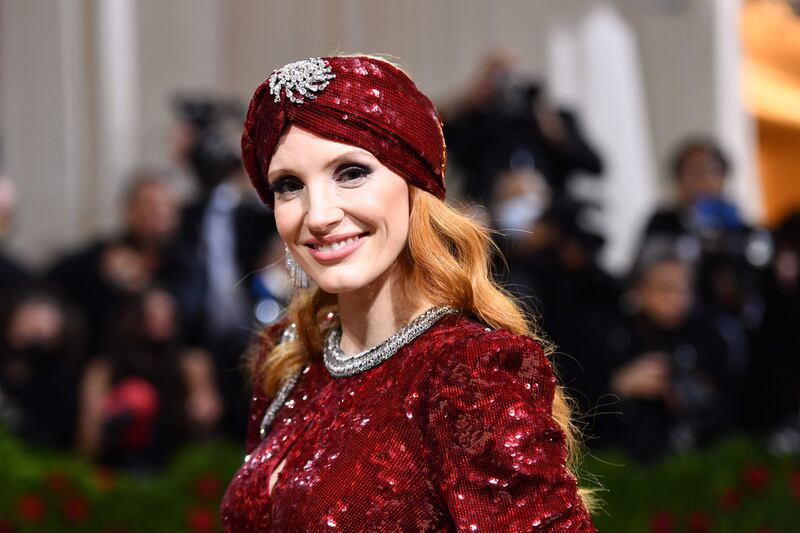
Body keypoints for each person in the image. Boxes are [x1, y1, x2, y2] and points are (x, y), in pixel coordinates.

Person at [220, 55, 596, 531]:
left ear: (415, 185)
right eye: (289, 185)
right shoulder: (290, 355)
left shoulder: (469, 372)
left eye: (351, 172)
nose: (317, 215)